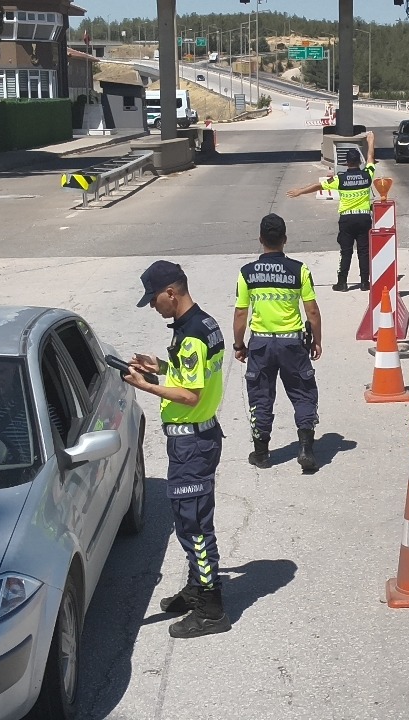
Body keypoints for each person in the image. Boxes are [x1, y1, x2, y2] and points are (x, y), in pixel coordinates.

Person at [126, 260, 231, 639]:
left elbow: (190, 394)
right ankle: (196, 586)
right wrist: (158, 366)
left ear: (171, 293)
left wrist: (146, 385)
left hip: (192, 445)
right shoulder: (204, 324)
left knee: (194, 526)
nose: (153, 307)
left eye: (153, 300)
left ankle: (211, 608)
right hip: (198, 438)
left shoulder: (191, 336)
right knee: (192, 520)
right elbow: (191, 373)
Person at [233, 213, 323, 473]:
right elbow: (312, 311)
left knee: (260, 396)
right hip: (292, 344)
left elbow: (240, 314)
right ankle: (305, 448)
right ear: (285, 239)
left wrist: (239, 345)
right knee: (303, 393)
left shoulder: (247, 273)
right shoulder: (299, 270)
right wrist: (317, 341)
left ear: (260, 239)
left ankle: (261, 454)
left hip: (260, 345)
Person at [287, 130, 377, 292]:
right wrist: (371, 141)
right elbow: (370, 158)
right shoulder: (367, 176)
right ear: (359, 161)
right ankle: (365, 282)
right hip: (364, 218)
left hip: (347, 220)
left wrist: (300, 191)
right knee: (364, 251)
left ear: (346, 162)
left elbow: (318, 186)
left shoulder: (339, 179)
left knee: (346, 252)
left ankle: (342, 283)